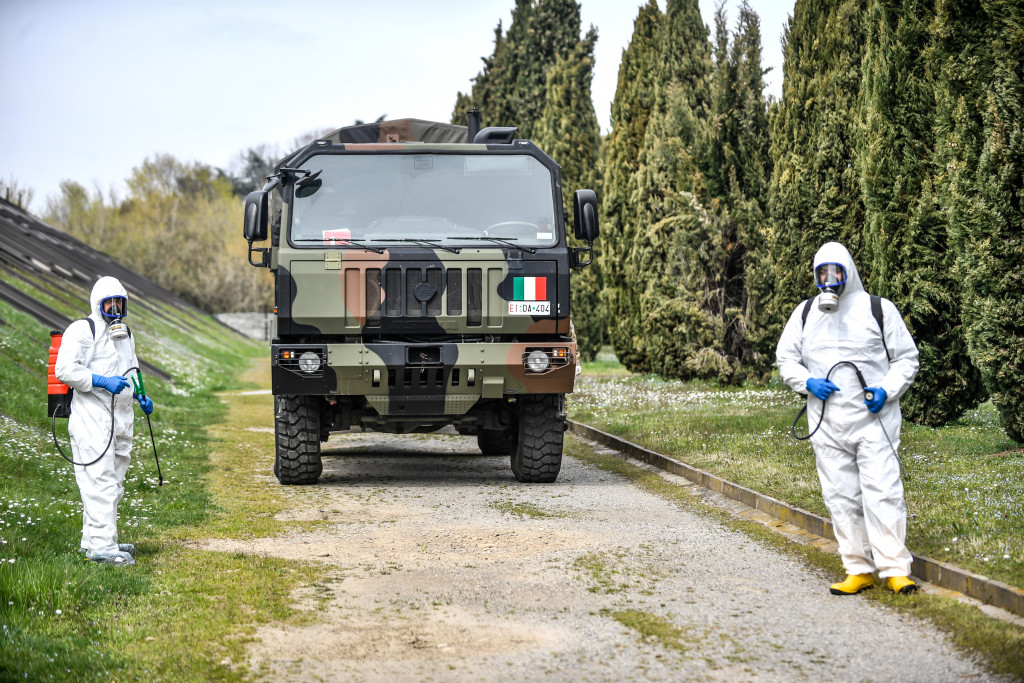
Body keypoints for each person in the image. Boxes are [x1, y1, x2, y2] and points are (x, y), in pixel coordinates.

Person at [776, 242, 920, 595]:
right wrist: (806, 381)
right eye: (822, 273)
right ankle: (858, 568)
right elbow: (786, 357)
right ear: (814, 275)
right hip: (827, 422)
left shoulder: (878, 309)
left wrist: (886, 389)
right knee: (841, 497)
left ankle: (895, 569)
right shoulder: (806, 313)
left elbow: (906, 359)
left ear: (848, 272)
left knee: (883, 491)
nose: (829, 280)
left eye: (835, 272)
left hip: (875, 422)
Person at [55, 276, 154, 566]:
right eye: (109, 303)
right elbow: (64, 369)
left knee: (115, 482)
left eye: (119, 303)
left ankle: (94, 539)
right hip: (92, 418)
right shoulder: (82, 330)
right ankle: (103, 546)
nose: (115, 308)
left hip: (121, 418)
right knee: (100, 483)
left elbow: (131, 368)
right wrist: (98, 380)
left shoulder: (125, 334)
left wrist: (140, 395)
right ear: (97, 303)